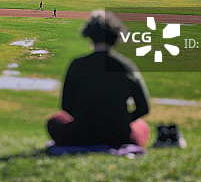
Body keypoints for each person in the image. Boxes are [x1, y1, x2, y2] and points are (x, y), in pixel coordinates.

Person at [47, 10, 151, 148]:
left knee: (55, 120)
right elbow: (144, 108)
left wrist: (86, 119)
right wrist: (121, 120)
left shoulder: (77, 64)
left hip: (81, 134)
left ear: (89, 35)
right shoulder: (126, 65)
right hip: (118, 135)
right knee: (142, 127)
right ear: (116, 36)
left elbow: (66, 106)